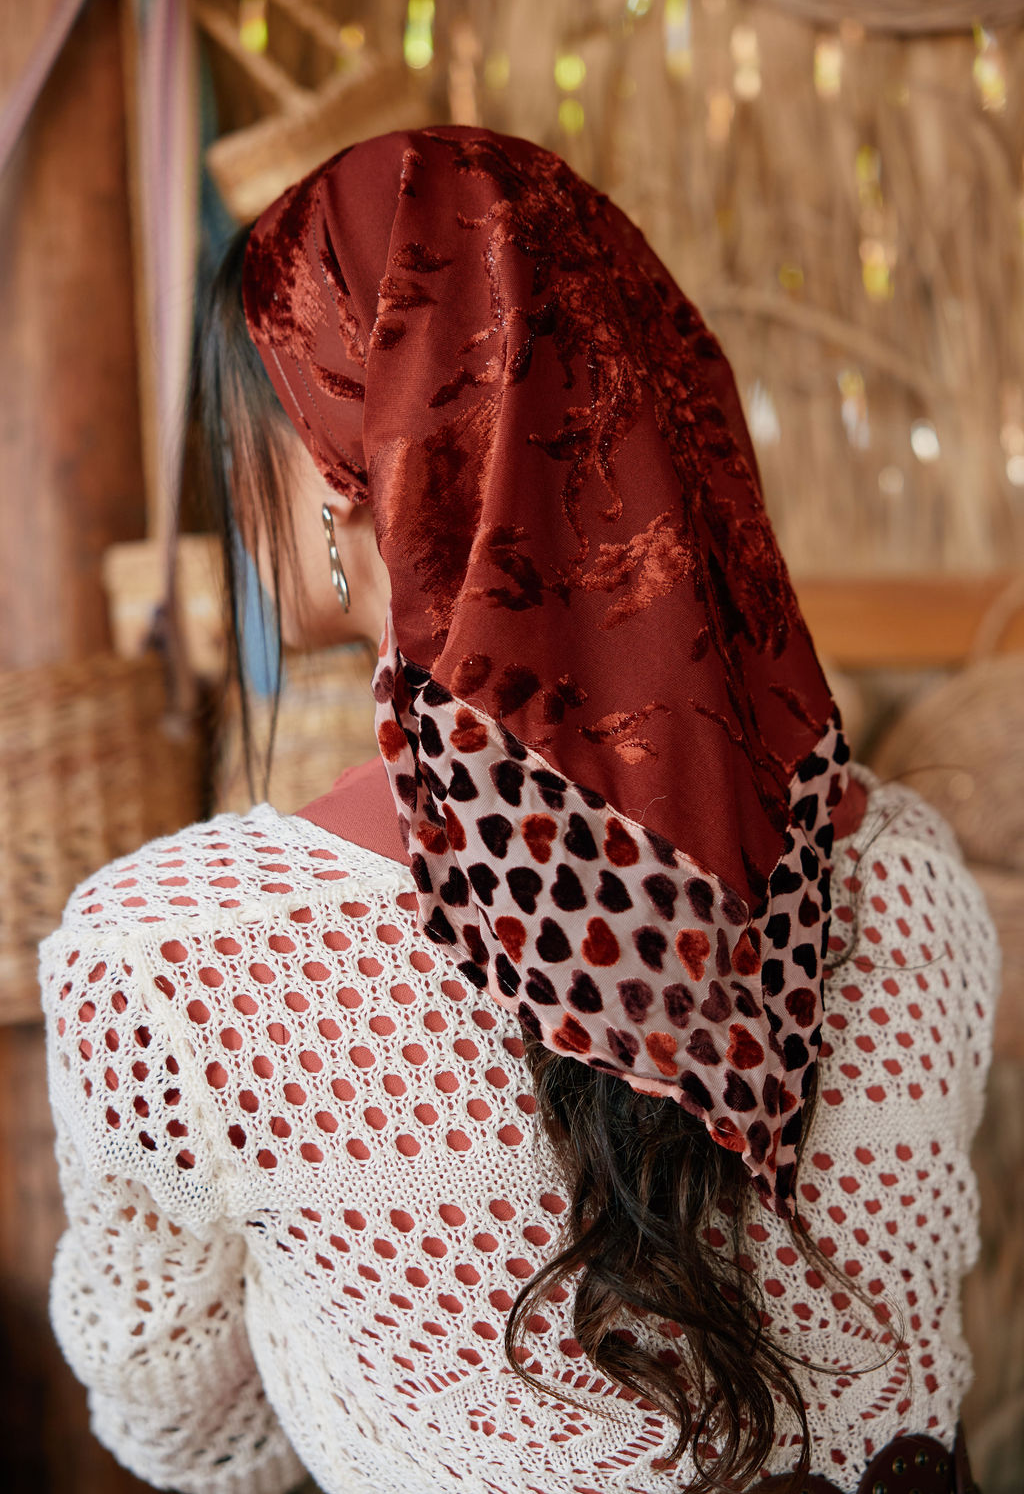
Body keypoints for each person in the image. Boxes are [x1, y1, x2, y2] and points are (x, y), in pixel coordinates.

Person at [39, 126, 997, 1494]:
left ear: (347, 467)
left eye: (255, 424)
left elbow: (191, 1434)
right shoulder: (905, 878)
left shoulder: (174, 964)